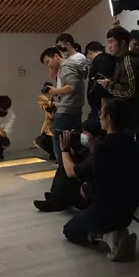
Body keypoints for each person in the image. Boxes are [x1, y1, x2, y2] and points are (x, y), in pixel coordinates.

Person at [62, 99, 139, 262]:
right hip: (129, 210)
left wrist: (64, 149)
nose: (99, 118)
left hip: (105, 212)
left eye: (101, 114)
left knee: (69, 230)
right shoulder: (135, 145)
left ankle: (109, 237)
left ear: (109, 118)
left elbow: (71, 172)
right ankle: (118, 233)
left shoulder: (103, 148)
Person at [35, 46, 87, 212]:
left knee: (63, 158)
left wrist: (54, 91)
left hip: (66, 114)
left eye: (49, 62)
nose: (49, 66)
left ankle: (58, 200)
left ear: (57, 56)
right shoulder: (65, 68)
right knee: (66, 159)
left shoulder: (67, 66)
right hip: (69, 112)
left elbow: (72, 87)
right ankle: (58, 196)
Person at [97, 26, 139, 137]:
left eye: (111, 42)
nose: (109, 46)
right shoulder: (121, 61)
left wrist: (109, 85)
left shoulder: (128, 61)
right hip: (123, 117)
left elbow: (130, 90)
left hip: (127, 117)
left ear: (122, 43)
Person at [84, 41, 116, 121]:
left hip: (100, 103)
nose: (88, 60)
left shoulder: (99, 61)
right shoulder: (110, 59)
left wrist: (92, 93)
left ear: (89, 52)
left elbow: (100, 83)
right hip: (107, 100)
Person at [34, 94, 56, 161]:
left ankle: (56, 154)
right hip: (51, 133)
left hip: (57, 133)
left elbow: (51, 118)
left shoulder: (53, 108)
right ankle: (54, 153)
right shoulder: (48, 108)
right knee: (40, 140)